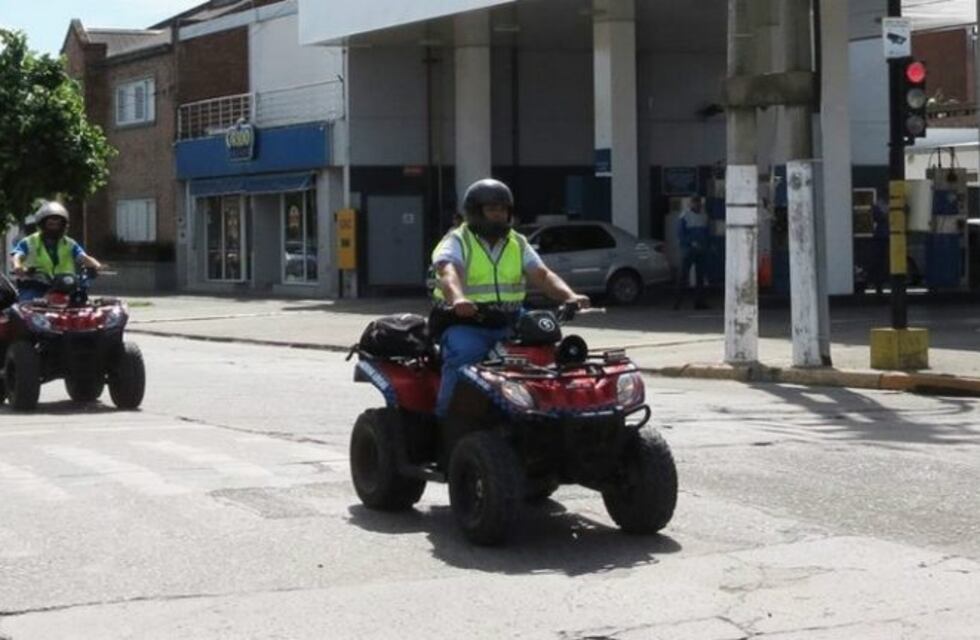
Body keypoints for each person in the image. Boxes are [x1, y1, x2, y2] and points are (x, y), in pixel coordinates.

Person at [431, 178, 590, 418]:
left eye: (503, 209)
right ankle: (448, 420)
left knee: (548, 352)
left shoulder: (517, 241)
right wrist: (458, 299)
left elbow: (543, 275)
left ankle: (548, 411)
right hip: (466, 322)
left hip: (511, 319)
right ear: (476, 212)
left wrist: (570, 296)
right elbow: (447, 271)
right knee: (465, 356)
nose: (499, 215)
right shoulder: (457, 240)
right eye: (492, 209)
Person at [9, 201, 103, 302]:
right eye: (51, 224)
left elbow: (83, 257)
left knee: (81, 305)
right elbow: (17, 255)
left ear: (63, 225)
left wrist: (95, 265)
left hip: (65, 287)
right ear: (42, 224)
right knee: (26, 308)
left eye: (58, 224)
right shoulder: (30, 241)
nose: (54, 227)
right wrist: (17, 266)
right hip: (35, 287)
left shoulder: (69, 243)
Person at [673, 197, 709, 310]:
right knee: (683, 276)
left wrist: (707, 245)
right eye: (695, 203)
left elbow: (706, 232)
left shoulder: (704, 216)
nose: (698, 206)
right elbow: (680, 234)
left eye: (699, 204)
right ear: (691, 204)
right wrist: (690, 243)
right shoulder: (685, 216)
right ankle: (677, 302)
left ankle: (699, 302)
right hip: (688, 250)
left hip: (701, 250)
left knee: (700, 277)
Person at [870, 198, 889, 296]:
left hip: (881, 236)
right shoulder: (879, 205)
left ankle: (879, 286)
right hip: (886, 237)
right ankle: (879, 286)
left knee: (880, 263)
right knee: (882, 263)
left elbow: (876, 217)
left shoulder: (878, 204)